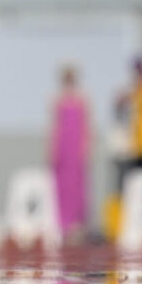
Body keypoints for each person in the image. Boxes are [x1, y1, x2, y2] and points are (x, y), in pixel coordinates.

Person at [50, 65, 90, 241]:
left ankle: (77, 223)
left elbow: (86, 126)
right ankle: (62, 224)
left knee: (77, 186)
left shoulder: (82, 100)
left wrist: (85, 147)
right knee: (62, 187)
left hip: (75, 147)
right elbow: (55, 127)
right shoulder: (58, 101)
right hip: (63, 147)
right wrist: (52, 149)